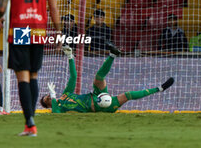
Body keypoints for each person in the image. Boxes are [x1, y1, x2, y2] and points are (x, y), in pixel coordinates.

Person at [0, 0, 61, 136]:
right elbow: (54, 7)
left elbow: (1, 5)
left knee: (22, 75)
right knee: (33, 75)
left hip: (20, 29)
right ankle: (31, 121)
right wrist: (58, 31)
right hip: (39, 29)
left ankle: (29, 123)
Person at [40, 45, 175, 113]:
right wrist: (52, 95)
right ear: (48, 106)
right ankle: (159, 89)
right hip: (99, 106)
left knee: (98, 79)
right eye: (47, 100)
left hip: (96, 95)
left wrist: (70, 57)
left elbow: (73, 77)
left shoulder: (65, 95)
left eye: (47, 96)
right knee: (127, 95)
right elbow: (56, 112)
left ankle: (112, 55)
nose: (50, 98)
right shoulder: (59, 108)